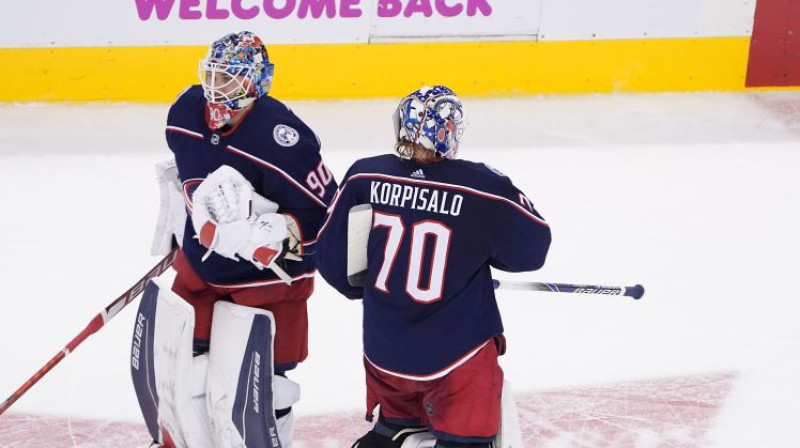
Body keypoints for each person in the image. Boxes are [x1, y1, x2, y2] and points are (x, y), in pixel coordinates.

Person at [315, 86, 552, 448]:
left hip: (385, 355)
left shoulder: (364, 176)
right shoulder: (484, 188)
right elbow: (531, 252)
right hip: (456, 362)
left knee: (392, 425)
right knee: (465, 438)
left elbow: (334, 264)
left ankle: (392, 428)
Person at [132, 31, 337, 448]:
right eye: (212, 74)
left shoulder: (284, 140)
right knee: (181, 370)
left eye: (229, 79)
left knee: (264, 386)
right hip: (201, 267)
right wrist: (179, 214)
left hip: (269, 285)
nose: (215, 88)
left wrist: (278, 234)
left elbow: (328, 218)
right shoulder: (184, 113)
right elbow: (191, 169)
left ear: (256, 84)